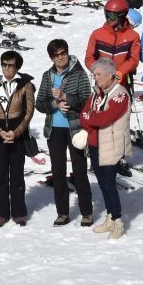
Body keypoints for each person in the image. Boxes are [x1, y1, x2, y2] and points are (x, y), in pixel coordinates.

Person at [39, 39, 95, 225]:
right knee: (58, 171)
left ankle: (86, 212)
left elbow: (87, 101)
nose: (61, 57)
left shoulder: (79, 73)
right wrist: (55, 104)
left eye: (63, 53)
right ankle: (62, 212)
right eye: (56, 55)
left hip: (75, 129)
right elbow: (40, 103)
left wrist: (66, 98)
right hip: (54, 130)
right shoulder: (48, 76)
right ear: (51, 57)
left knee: (79, 171)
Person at [78, 59, 132, 236]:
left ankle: (117, 221)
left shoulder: (120, 94)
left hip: (111, 144)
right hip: (95, 144)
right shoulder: (96, 94)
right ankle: (110, 215)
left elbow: (105, 118)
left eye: (98, 74)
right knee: (102, 183)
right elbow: (83, 114)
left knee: (108, 183)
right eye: (94, 75)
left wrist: (91, 117)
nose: (95, 78)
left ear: (110, 74)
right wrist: (92, 117)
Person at [0, 49, 34, 227]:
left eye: (10, 65)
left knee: (18, 175)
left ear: (17, 66)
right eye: (4, 65)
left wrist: (16, 132)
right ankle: (1, 212)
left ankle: (19, 212)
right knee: (1, 175)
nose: (7, 69)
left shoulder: (25, 84)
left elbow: (28, 112)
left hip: (17, 134)